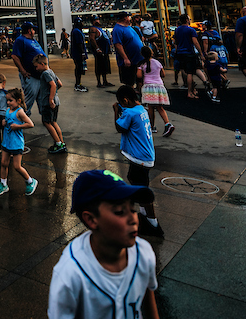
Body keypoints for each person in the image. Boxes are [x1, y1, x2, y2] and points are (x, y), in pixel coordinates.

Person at [47, 169, 160, 319]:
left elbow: (149, 302)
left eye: (132, 209)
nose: (133, 219)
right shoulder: (70, 275)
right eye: (120, 211)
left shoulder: (144, 253)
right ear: (92, 220)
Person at [113, 85, 163, 237]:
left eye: (121, 103)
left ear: (126, 100)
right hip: (144, 155)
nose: (121, 106)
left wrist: (116, 111)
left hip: (140, 158)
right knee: (134, 179)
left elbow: (119, 128)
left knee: (142, 189)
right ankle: (144, 216)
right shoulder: (141, 109)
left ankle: (153, 223)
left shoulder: (130, 113)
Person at [0, 88, 37, 196]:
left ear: (18, 101)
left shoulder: (20, 112)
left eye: (10, 100)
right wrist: (4, 122)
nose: (8, 102)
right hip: (6, 141)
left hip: (16, 143)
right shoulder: (8, 110)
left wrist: (18, 126)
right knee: (3, 163)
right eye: (7, 100)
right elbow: (8, 120)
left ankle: (31, 181)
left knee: (17, 166)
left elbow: (30, 124)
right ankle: (3, 184)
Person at [33, 53, 67, 153]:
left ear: (42, 64)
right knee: (53, 122)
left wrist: (50, 98)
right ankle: (61, 142)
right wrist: (54, 94)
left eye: (36, 66)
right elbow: (59, 83)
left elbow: (53, 85)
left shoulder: (45, 74)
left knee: (46, 122)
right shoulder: (51, 71)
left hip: (48, 102)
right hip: (56, 101)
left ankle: (58, 144)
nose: (36, 69)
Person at [11, 22, 46, 108]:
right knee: (29, 97)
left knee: (42, 98)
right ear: (29, 30)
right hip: (30, 75)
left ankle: (46, 118)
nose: (34, 31)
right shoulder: (20, 40)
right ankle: (22, 117)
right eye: (33, 29)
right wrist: (23, 71)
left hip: (40, 74)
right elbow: (15, 56)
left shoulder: (33, 40)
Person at [140, 49, 174, 137]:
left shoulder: (142, 63)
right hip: (159, 86)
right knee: (160, 107)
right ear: (152, 53)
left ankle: (152, 126)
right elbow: (163, 74)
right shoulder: (158, 62)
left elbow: (139, 75)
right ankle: (167, 123)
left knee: (150, 107)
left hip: (148, 87)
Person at [110, 13, 145, 91]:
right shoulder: (118, 29)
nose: (130, 19)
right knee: (130, 81)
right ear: (125, 18)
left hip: (138, 58)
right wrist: (125, 58)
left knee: (139, 78)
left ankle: (139, 93)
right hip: (130, 59)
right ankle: (131, 97)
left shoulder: (129, 27)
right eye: (129, 17)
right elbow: (118, 44)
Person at [173, 19, 207, 100]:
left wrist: (177, 51)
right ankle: (190, 91)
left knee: (184, 70)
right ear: (187, 20)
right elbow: (195, 42)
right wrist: (201, 53)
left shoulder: (177, 30)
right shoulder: (191, 30)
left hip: (180, 53)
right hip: (189, 52)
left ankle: (192, 88)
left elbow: (175, 42)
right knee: (190, 72)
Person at [90, 19, 112, 88]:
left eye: (98, 20)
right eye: (95, 20)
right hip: (99, 51)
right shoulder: (93, 29)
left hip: (104, 51)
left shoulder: (100, 29)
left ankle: (105, 81)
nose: (97, 21)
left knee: (105, 67)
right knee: (99, 67)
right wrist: (97, 48)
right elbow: (92, 39)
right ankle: (99, 82)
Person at [70, 18, 89, 93]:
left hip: (76, 53)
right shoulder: (77, 31)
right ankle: (78, 84)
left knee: (79, 68)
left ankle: (78, 83)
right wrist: (83, 53)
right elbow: (79, 43)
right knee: (79, 68)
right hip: (78, 53)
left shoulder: (76, 31)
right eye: (81, 22)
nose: (83, 23)